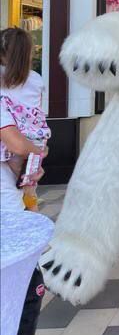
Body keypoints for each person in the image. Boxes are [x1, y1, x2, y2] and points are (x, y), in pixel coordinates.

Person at [0, 27, 49, 335]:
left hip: (11, 197)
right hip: (8, 210)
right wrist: (37, 152)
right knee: (28, 291)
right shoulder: (31, 83)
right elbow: (17, 141)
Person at [1, 27, 50, 212]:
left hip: (10, 150)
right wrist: (40, 151)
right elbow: (38, 113)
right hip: (33, 140)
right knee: (28, 193)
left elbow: (16, 145)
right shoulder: (36, 79)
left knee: (17, 210)